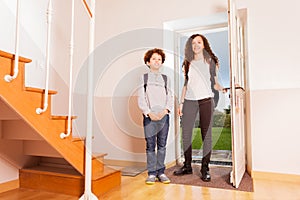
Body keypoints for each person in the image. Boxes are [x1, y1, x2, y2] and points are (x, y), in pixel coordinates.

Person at [173, 34, 223, 182]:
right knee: (186, 134)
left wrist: (224, 88)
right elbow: (186, 84)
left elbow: (215, 83)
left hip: (206, 100)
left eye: (199, 42)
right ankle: (187, 166)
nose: (196, 45)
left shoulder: (210, 61)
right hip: (189, 101)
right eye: (193, 43)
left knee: (206, 135)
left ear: (204, 44)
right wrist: (181, 103)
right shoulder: (187, 63)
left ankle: (205, 168)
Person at [138, 48, 174, 185]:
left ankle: (161, 172)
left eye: (159, 59)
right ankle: (152, 173)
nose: (156, 61)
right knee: (150, 145)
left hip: (164, 116)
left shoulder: (166, 79)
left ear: (162, 62)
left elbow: (170, 97)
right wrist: (149, 113)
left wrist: (165, 111)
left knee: (162, 145)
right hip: (149, 117)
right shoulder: (144, 78)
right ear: (148, 62)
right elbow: (141, 98)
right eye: (154, 59)